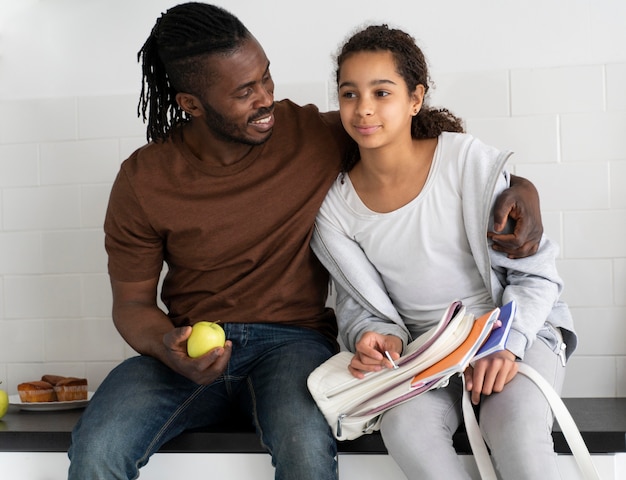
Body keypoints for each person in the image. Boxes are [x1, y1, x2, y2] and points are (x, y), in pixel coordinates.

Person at [67, 4, 545, 479]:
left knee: (306, 450)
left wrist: (517, 186)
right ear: (191, 103)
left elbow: (399, 131)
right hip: (190, 345)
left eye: (266, 78)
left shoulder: (306, 132)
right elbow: (130, 304)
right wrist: (164, 344)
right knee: (97, 450)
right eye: (244, 91)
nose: (266, 99)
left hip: (292, 345)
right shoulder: (142, 179)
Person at [311, 25, 578, 480]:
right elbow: (360, 307)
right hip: (425, 357)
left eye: (382, 91)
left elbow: (535, 274)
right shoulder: (335, 209)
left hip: (513, 333)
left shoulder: (465, 163)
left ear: (415, 99)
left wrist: (505, 348)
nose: (364, 108)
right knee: (405, 429)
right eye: (349, 94)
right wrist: (377, 337)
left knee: (514, 428)